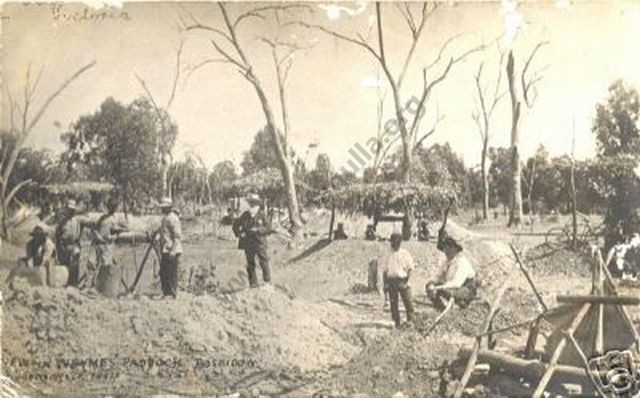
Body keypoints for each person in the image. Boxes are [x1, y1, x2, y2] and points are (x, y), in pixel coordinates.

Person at [426, 232, 478, 310]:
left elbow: (456, 283)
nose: (446, 251)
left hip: (467, 288)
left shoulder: (461, 262)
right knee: (429, 287)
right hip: (453, 286)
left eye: (449, 248)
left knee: (446, 291)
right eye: (445, 248)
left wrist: (438, 288)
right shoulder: (446, 261)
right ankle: (440, 308)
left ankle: (461, 304)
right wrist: (431, 283)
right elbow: (438, 275)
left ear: (455, 249)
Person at [233, 193, 271, 288]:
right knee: (250, 263)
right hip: (248, 242)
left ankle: (267, 281)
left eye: (254, 203)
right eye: (251, 203)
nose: (252, 205)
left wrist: (259, 230)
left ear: (258, 204)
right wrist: (239, 233)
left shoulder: (262, 214)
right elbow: (235, 225)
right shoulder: (245, 215)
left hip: (259, 242)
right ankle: (253, 283)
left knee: (263, 261)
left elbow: (268, 227)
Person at [92, 197, 126, 296]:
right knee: (105, 265)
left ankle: (98, 286)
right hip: (106, 245)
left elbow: (95, 230)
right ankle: (102, 288)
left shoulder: (103, 218)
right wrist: (116, 235)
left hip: (100, 244)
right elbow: (109, 233)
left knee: (100, 265)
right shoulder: (110, 219)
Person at [382, 233, 415, 328]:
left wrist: (407, 281)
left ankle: (411, 321)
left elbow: (410, 269)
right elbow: (385, 271)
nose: (394, 245)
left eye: (397, 243)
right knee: (393, 303)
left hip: (403, 280)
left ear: (400, 243)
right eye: (393, 242)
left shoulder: (405, 254)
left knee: (408, 302)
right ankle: (397, 322)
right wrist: (385, 284)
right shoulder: (388, 254)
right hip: (391, 281)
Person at [55, 199, 84, 287]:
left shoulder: (77, 221)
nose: (71, 212)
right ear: (66, 210)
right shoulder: (62, 222)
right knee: (64, 264)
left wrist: (78, 243)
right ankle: (65, 283)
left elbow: (80, 233)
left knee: (75, 265)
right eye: (69, 210)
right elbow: (57, 235)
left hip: (74, 244)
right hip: (64, 245)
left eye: (72, 210)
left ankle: (73, 283)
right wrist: (59, 247)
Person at [158, 197, 182, 298]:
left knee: (171, 273)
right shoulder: (165, 218)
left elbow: (177, 236)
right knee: (163, 272)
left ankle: (172, 293)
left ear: (169, 208)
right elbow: (164, 233)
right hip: (166, 248)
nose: (162, 209)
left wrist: (173, 250)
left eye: (164, 207)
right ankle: (166, 292)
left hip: (172, 249)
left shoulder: (173, 218)